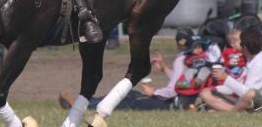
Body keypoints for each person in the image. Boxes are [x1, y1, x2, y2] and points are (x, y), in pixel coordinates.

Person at [59, 26, 193, 110]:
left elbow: (172, 90)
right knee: (129, 95)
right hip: (173, 101)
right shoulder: (189, 58)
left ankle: (82, 105)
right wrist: (164, 69)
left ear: (177, 42)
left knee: (128, 100)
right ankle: (84, 103)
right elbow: (181, 81)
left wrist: (154, 93)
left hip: (169, 103)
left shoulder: (182, 59)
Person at [199, 27, 262, 112]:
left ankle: (232, 111)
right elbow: (237, 86)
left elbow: (246, 93)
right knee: (205, 93)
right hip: (244, 101)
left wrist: (226, 78)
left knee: (251, 93)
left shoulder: (260, 64)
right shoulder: (249, 61)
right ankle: (232, 110)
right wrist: (216, 89)